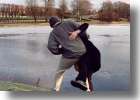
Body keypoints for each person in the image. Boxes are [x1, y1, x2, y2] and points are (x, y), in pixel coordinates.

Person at [47, 16, 87, 92]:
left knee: (59, 72)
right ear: (59, 20)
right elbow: (82, 29)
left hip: (69, 55)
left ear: (51, 25)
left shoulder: (53, 33)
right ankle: (87, 89)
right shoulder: (69, 22)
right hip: (82, 52)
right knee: (83, 71)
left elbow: (51, 47)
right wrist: (85, 38)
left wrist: (61, 51)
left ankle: (56, 90)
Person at [69, 23, 101, 92]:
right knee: (87, 77)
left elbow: (86, 24)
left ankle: (80, 80)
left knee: (84, 71)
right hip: (92, 61)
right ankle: (85, 85)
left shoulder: (81, 38)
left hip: (93, 60)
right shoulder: (78, 42)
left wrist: (76, 32)